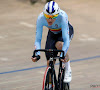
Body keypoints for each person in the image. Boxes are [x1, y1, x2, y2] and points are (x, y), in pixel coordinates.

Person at [31, 1, 74, 84]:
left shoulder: (62, 16)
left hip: (64, 32)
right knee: (50, 61)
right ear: (44, 14)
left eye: (53, 16)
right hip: (52, 33)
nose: (50, 19)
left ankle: (68, 69)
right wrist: (37, 54)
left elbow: (65, 39)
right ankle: (50, 85)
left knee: (60, 45)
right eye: (47, 16)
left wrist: (62, 55)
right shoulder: (40, 18)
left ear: (57, 14)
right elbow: (38, 39)